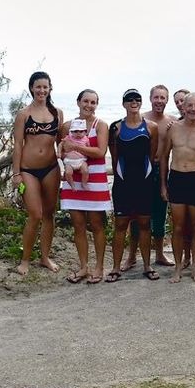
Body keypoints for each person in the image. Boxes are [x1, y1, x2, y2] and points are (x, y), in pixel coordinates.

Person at [10, 71, 62, 275]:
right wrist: (16, 174)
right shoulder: (23, 114)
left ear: (50, 88)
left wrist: (69, 165)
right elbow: (17, 145)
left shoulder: (57, 113)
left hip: (51, 168)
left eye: (45, 87)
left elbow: (61, 143)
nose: (42, 90)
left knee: (49, 214)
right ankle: (25, 260)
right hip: (28, 170)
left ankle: (45, 257)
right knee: (35, 214)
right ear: (31, 88)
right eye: (38, 87)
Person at [105, 89, 159, 283]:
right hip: (123, 183)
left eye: (137, 99)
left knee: (144, 224)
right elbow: (114, 157)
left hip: (144, 182)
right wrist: (120, 179)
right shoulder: (116, 128)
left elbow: (152, 155)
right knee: (120, 225)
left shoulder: (151, 127)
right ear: (124, 104)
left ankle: (147, 266)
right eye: (129, 99)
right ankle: (115, 268)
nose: (133, 102)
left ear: (141, 102)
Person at [123, 85, 176, 271]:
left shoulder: (173, 122)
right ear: (150, 98)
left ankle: (159, 254)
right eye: (156, 97)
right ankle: (131, 256)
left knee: (160, 214)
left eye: (163, 98)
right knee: (136, 215)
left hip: (161, 169)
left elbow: (193, 124)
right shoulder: (141, 119)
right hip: (141, 170)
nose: (159, 101)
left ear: (167, 100)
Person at [61, 89, 111, 284]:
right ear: (78, 102)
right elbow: (62, 150)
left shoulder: (101, 125)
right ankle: (83, 267)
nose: (89, 105)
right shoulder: (67, 126)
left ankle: (99, 267)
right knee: (78, 225)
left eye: (93, 102)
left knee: (97, 224)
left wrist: (76, 147)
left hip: (95, 180)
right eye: (85, 101)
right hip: (72, 181)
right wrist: (70, 157)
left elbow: (100, 152)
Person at [160, 92, 195, 283]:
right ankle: (178, 268)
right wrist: (163, 185)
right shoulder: (173, 128)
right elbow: (164, 157)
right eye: (189, 105)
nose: (192, 109)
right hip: (176, 179)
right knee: (178, 227)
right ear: (183, 107)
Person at [60, 119, 90, 190]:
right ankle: (72, 184)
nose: (78, 133)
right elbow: (60, 145)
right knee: (68, 173)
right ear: (71, 132)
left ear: (85, 132)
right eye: (75, 131)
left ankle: (84, 183)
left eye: (81, 131)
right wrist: (58, 153)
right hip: (69, 161)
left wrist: (88, 153)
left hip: (81, 160)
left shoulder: (86, 139)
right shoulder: (68, 138)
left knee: (85, 171)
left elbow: (89, 149)